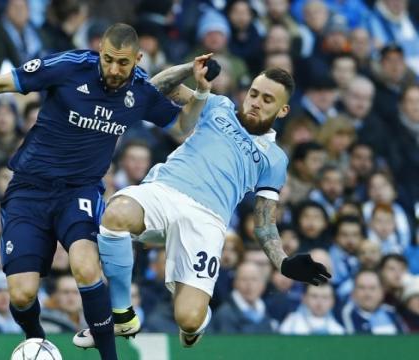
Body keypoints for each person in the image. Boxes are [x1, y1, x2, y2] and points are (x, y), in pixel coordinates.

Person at [0, 23, 211, 360]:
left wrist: (202, 92)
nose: (114, 69)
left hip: (80, 190)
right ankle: (37, 342)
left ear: (137, 59)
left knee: (86, 267)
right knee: (21, 295)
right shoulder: (69, 67)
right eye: (107, 59)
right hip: (29, 190)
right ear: (99, 51)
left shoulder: (140, 91)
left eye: (122, 62)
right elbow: (0, 84)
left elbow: (181, 125)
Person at [73, 67, 331, 349]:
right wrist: (191, 74)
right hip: (166, 191)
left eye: (267, 99)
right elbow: (154, 87)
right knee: (116, 213)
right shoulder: (218, 105)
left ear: (283, 111)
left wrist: (283, 262)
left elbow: (264, 222)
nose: (256, 102)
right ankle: (121, 315)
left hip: (207, 221)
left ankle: (198, 319)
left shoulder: (276, 159)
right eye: (253, 94)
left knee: (188, 318)